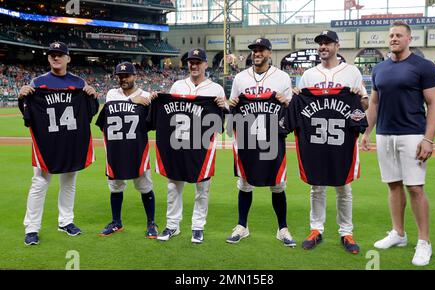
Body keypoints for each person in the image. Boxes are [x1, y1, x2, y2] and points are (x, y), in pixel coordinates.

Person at [361, 21, 435, 266]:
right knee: (393, 186)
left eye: (398, 35)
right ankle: (399, 233)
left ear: (409, 39)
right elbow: (374, 103)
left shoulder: (424, 66)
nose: (394, 38)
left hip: (413, 135)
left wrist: (428, 139)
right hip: (385, 135)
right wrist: (366, 132)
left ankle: (424, 242)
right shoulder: (380, 69)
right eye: (391, 35)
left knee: (415, 188)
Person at [296, 30, 369, 254]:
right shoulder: (309, 74)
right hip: (317, 140)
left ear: (337, 46)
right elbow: (301, 103)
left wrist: (359, 97)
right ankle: (316, 229)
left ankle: (346, 232)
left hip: (342, 139)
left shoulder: (352, 71)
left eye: (327, 43)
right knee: (316, 186)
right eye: (320, 43)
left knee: (343, 186)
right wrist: (297, 95)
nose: (323, 47)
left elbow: (364, 105)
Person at [18, 42, 97, 246]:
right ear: (48, 58)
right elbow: (28, 115)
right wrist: (22, 98)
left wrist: (92, 96)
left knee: (69, 182)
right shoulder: (37, 83)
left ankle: (66, 221)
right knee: (40, 183)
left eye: (60, 54)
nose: (56, 58)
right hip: (48, 143)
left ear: (68, 58)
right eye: (52, 54)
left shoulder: (79, 83)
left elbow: (90, 112)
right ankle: (32, 228)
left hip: (70, 142)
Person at [226, 38, 296, 247]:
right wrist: (233, 104)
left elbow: (290, 111)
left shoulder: (282, 78)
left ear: (269, 52)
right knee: (245, 183)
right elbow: (232, 110)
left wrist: (286, 101)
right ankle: (242, 226)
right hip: (247, 138)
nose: (257, 53)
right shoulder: (239, 78)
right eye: (254, 50)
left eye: (261, 50)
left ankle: (282, 228)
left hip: (273, 139)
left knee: (277, 184)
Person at [155, 48, 227, 244]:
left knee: (202, 187)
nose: (194, 65)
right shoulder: (178, 85)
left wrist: (223, 106)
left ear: (205, 64)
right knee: (173, 186)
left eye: (198, 61)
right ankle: (172, 225)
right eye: (190, 62)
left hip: (202, 145)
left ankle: (197, 227)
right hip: (177, 144)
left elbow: (221, 124)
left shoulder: (216, 89)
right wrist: (156, 100)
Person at [96, 62, 158, 238]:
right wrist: (132, 101)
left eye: (127, 75)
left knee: (144, 185)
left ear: (134, 76)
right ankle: (116, 222)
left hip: (137, 149)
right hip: (115, 149)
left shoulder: (146, 96)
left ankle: (151, 223)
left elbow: (152, 122)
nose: (123, 79)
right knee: (115, 186)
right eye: (120, 76)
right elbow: (114, 109)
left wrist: (152, 102)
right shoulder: (111, 94)